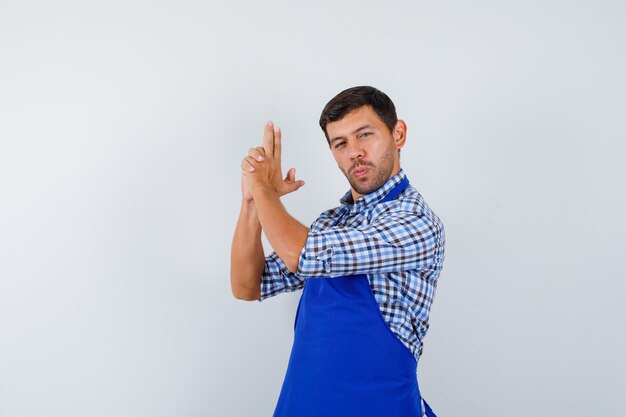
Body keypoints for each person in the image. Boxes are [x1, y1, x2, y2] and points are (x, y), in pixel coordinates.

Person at [230, 86, 445, 417]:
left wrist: (263, 188)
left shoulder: (415, 222)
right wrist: (251, 202)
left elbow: (302, 254)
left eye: (364, 135)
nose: (354, 152)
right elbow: (248, 285)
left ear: (397, 134)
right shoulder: (332, 223)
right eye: (340, 143)